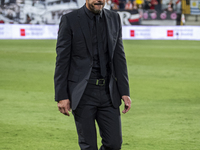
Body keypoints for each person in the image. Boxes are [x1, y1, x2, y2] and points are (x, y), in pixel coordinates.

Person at [54, 0, 131, 150]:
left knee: (114, 144)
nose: (99, 0)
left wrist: (124, 91)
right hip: (83, 92)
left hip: (108, 92)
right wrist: (61, 95)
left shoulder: (114, 18)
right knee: (88, 146)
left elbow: (119, 57)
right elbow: (62, 61)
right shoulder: (70, 20)